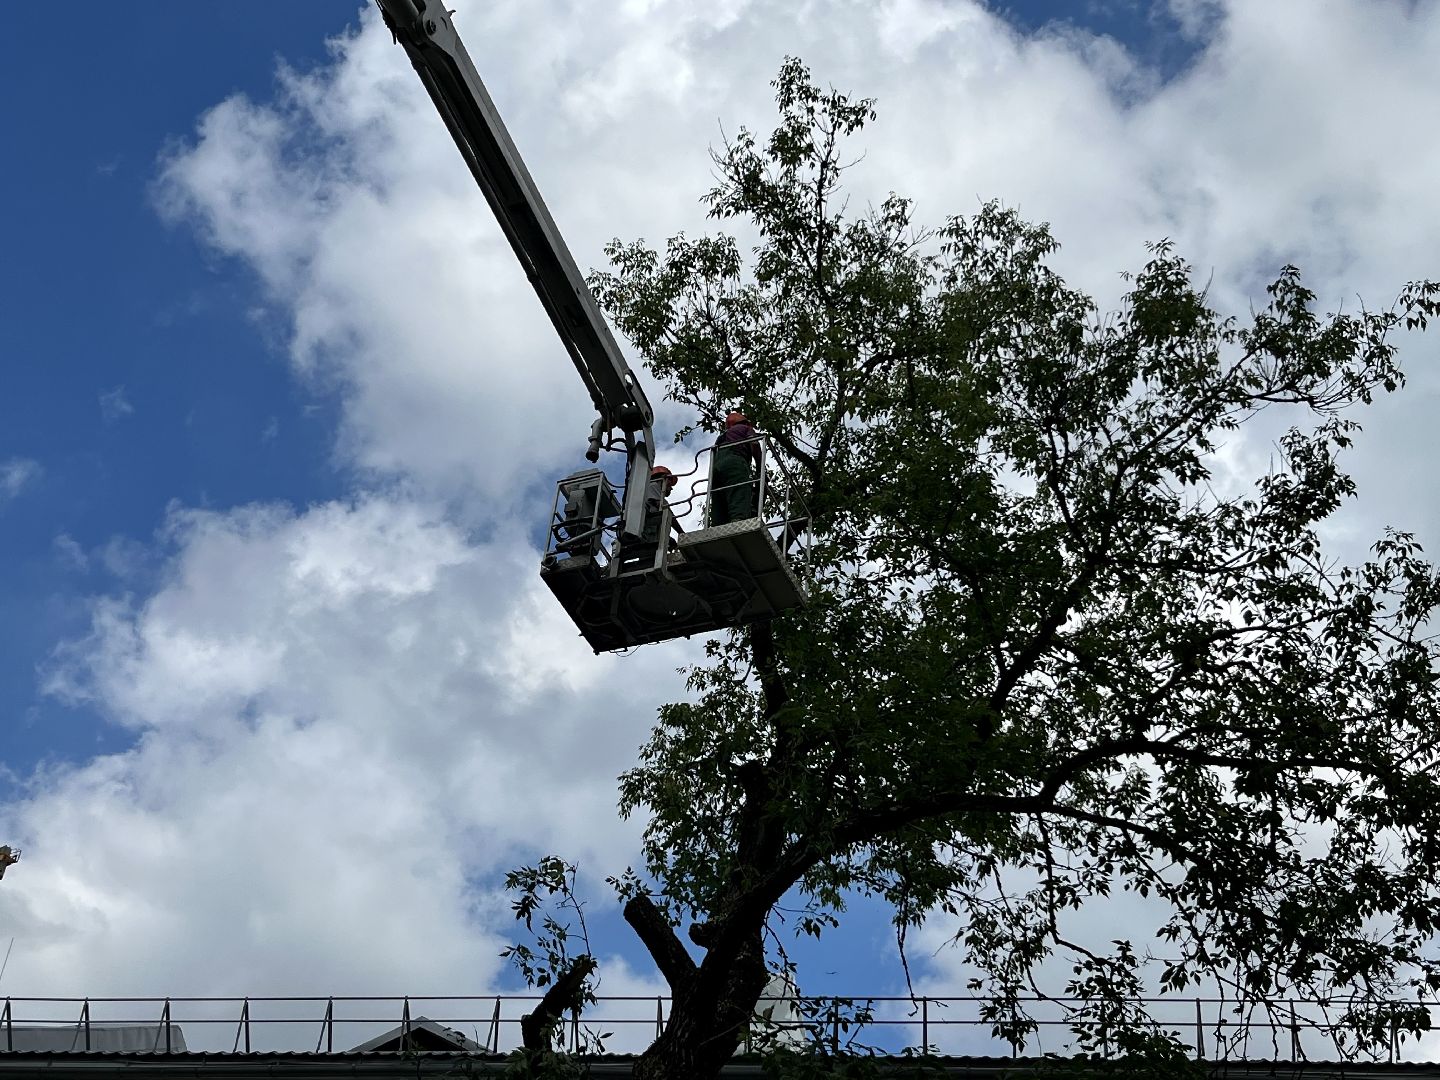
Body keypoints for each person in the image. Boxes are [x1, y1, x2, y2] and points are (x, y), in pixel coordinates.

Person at [710, 411, 763, 526]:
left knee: (719, 496)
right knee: (739, 490)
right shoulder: (745, 428)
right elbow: (754, 444)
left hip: (716, 468)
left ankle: (717, 526)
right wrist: (760, 468)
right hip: (735, 462)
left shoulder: (722, 437)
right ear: (745, 422)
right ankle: (738, 521)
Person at [642, 464, 683, 545]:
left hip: (651, 532)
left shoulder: (658, 496)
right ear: (663, 478)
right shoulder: (652, 486)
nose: (671, 488)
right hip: (646, 531)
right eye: (670, 483)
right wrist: (681, 532)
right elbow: (668, 514)